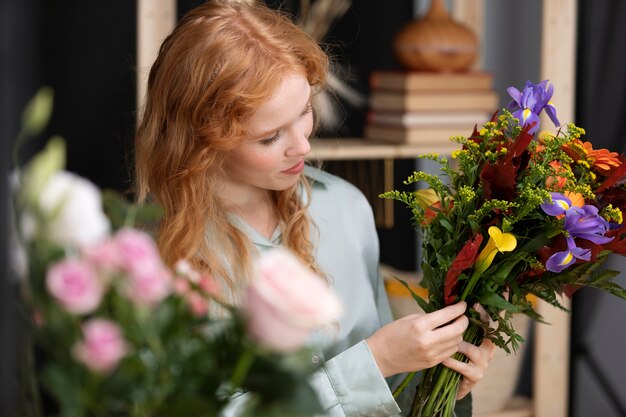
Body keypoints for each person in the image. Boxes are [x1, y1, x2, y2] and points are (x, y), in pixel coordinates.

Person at [133, 1, 495, 416]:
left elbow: (389, 399)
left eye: (304, 111)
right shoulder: (151, 258)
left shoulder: (345, 207)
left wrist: (444, 382)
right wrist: (373, 362)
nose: (303, 146)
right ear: (202, 142)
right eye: (270, 137)